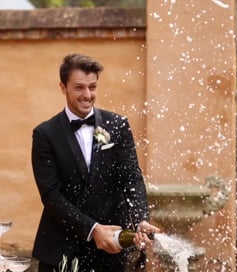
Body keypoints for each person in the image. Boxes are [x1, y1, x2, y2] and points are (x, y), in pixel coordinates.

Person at [31, 53, 160, 271]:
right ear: (63, 87)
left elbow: (131, 177)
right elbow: (51, 196)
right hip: (62, 251)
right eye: (79, 87)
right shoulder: (45, 134)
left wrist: (140, 218)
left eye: (92, 87)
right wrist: (93, 229)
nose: (87, 95)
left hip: (112, 251)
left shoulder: (118, 125)